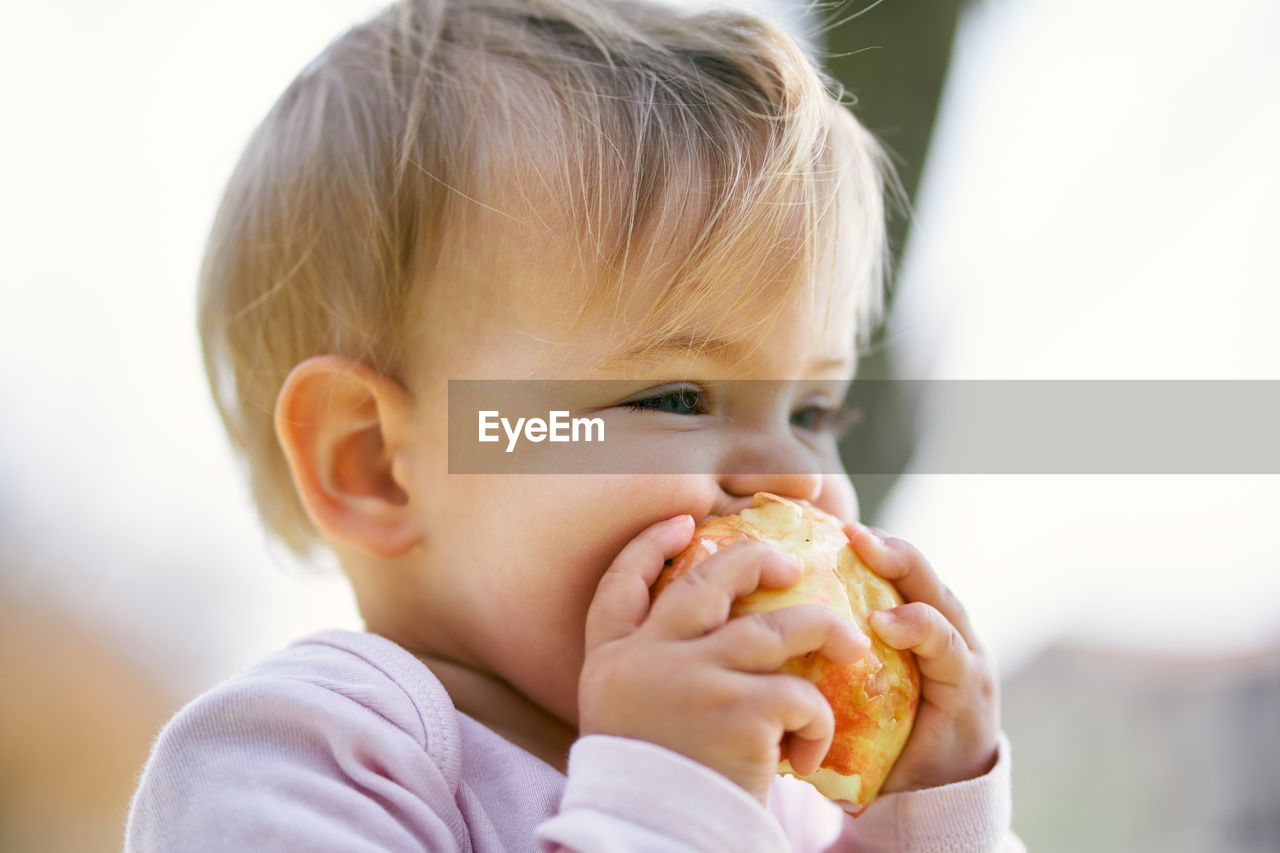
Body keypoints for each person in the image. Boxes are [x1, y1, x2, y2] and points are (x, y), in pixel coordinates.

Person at [126, 0, 1022, 849]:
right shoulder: (294, 760)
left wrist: (929, 814)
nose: (794, 476)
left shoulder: (775, 790)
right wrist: (670, 799)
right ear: (375, 461)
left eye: (813, 409)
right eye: (676, 396)